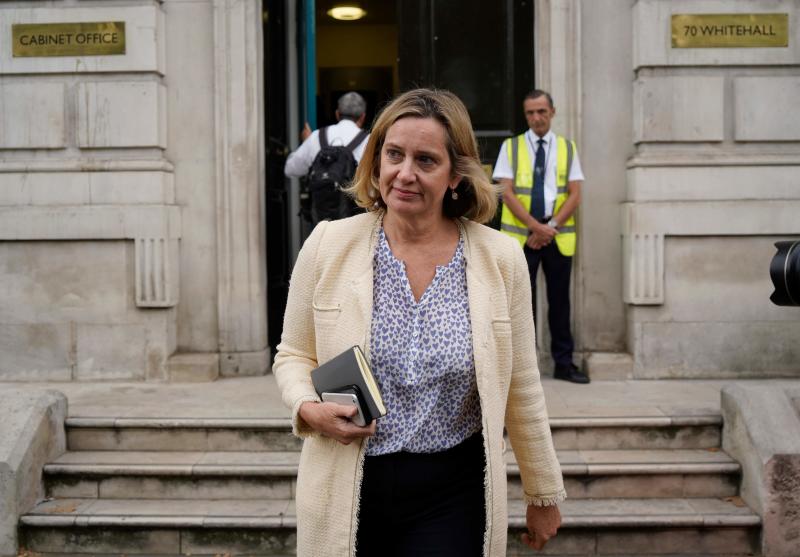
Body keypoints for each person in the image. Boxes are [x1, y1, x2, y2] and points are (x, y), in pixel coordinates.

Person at [273, 88, 565, 557]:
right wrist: (307, 407)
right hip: (347, 483)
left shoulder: (500, 259)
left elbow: (522, 384)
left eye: (426, 160)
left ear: (456, 175)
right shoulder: (328, 245)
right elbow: (293, 354)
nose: (405, 173)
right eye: (394, 154)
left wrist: (543, 493)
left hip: (452, 492)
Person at [493, 89, 589, 384]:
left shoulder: (567, 148)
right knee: (520, 307)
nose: (536, 118)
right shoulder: (511, 147)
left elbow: (575, 194)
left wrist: (550, 227)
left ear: (552, 112)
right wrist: (535, 227)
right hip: (522, 240)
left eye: (541, 112)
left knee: (560, 303)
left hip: (556, 237)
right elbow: (506, 192)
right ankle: (521, 369)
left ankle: (564, 364)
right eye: (530, 113)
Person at [284, 91, 370, 224]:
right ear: (363, 117)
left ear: (337, 114)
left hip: (322, 223)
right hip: (356, 222)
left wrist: (307, 143)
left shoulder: (317, 136)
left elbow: (290, 169)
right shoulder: (369, 141)